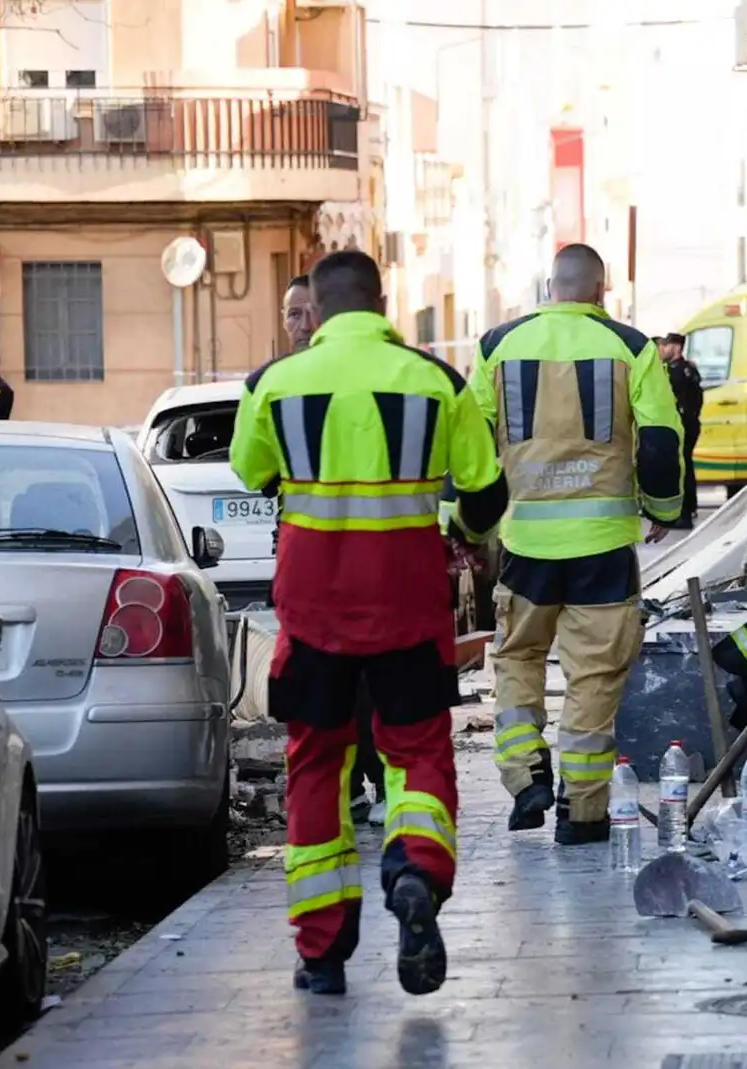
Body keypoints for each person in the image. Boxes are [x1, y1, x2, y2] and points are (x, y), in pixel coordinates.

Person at [229, 249, 509, 999]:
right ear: (383, 305)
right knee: (417, 754)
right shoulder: (436, 381)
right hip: (409, 608)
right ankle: (415, 868)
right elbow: (485, 495)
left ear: (313, 313)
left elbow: (251, 472)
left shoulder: (273, 384)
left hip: (312, 611)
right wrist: (459, 522)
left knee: (316, 764)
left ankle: (322, 954)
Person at [471, 243, 683, 845]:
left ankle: (525, 774)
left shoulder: (496, 347)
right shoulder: (631, 347)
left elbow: (470, 447)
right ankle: (582, 814)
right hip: (603, 549)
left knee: (517, 659)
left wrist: (469, 528)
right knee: (593, 676)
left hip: (525, 546)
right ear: (601, 289)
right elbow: (662, 439)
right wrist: (662, 507)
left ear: (549, 286)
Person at [277, 273, 386, 826]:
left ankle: (374, 779)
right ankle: (350, 788)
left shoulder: (355, 378)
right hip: (309, 568)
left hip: (367, 559)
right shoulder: (277, 385)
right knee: (325, 683)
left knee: (363, 680)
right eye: (290, 315)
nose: (298, 325)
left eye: (305, 312)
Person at [657, 332, 702, 529]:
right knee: (688, 466)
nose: (663, 350)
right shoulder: (689, 369)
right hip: (691, 422)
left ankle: (684, 514)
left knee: (681, 468)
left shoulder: (674, 371)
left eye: (666, 346)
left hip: (682, 424)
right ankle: (690, 507)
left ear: (676, 347)